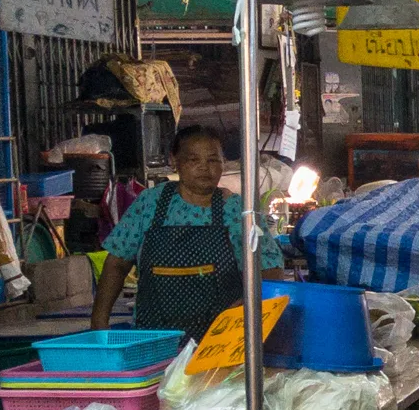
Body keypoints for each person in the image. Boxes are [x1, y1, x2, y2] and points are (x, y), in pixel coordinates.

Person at [90, 124, 284, 344]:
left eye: (213, 160)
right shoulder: (150, 203)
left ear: (223, 164)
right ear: (175, 162)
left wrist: (247, 302)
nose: (204, 168)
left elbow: (271, 268)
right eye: (194, 160)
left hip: (221, 340)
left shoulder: (237, 211)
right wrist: (99, 322)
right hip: (155, 339)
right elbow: (117, 264)